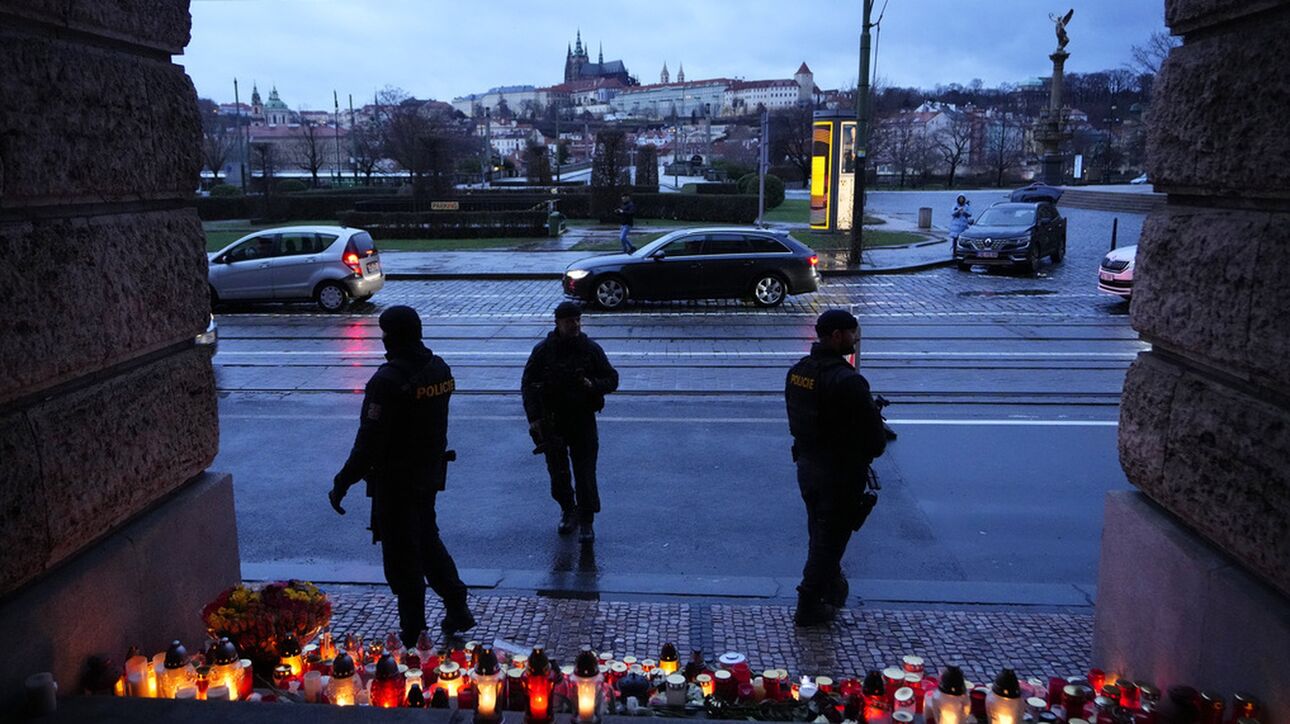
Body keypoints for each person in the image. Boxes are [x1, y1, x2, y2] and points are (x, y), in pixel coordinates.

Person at [329, 305, 476, 647]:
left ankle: (414, 634)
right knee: (427, 541)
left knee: (402, 559)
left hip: (395, 482)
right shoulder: (439, 368)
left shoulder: (387, 380)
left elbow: (368, 441)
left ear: (391, 336)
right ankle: (457, 606)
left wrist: (343, 481)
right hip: (428, 475)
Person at [785, 309, 888, 626]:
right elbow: (876, 442)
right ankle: (809, 603)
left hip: (808, 467)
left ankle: (830, 588)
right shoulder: (849, 381)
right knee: (830, 542)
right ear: (836, 336)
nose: (857, 339)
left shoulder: (798, 371)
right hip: (841, 474)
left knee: (819, 533)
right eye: (852, 333)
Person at [522, 302, 619, 544]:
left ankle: (586, 520)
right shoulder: (544, 351)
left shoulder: (590, 349)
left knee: (585, 473)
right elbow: (528, 385)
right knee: (558, 472)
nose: (574, 324)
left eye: (577, 320)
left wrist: (593, 385)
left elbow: (612, 379)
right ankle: (568, 509)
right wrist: (534, 418)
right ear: (557, 323)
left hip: (582, 418)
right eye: (569, 321)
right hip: (552, 420)